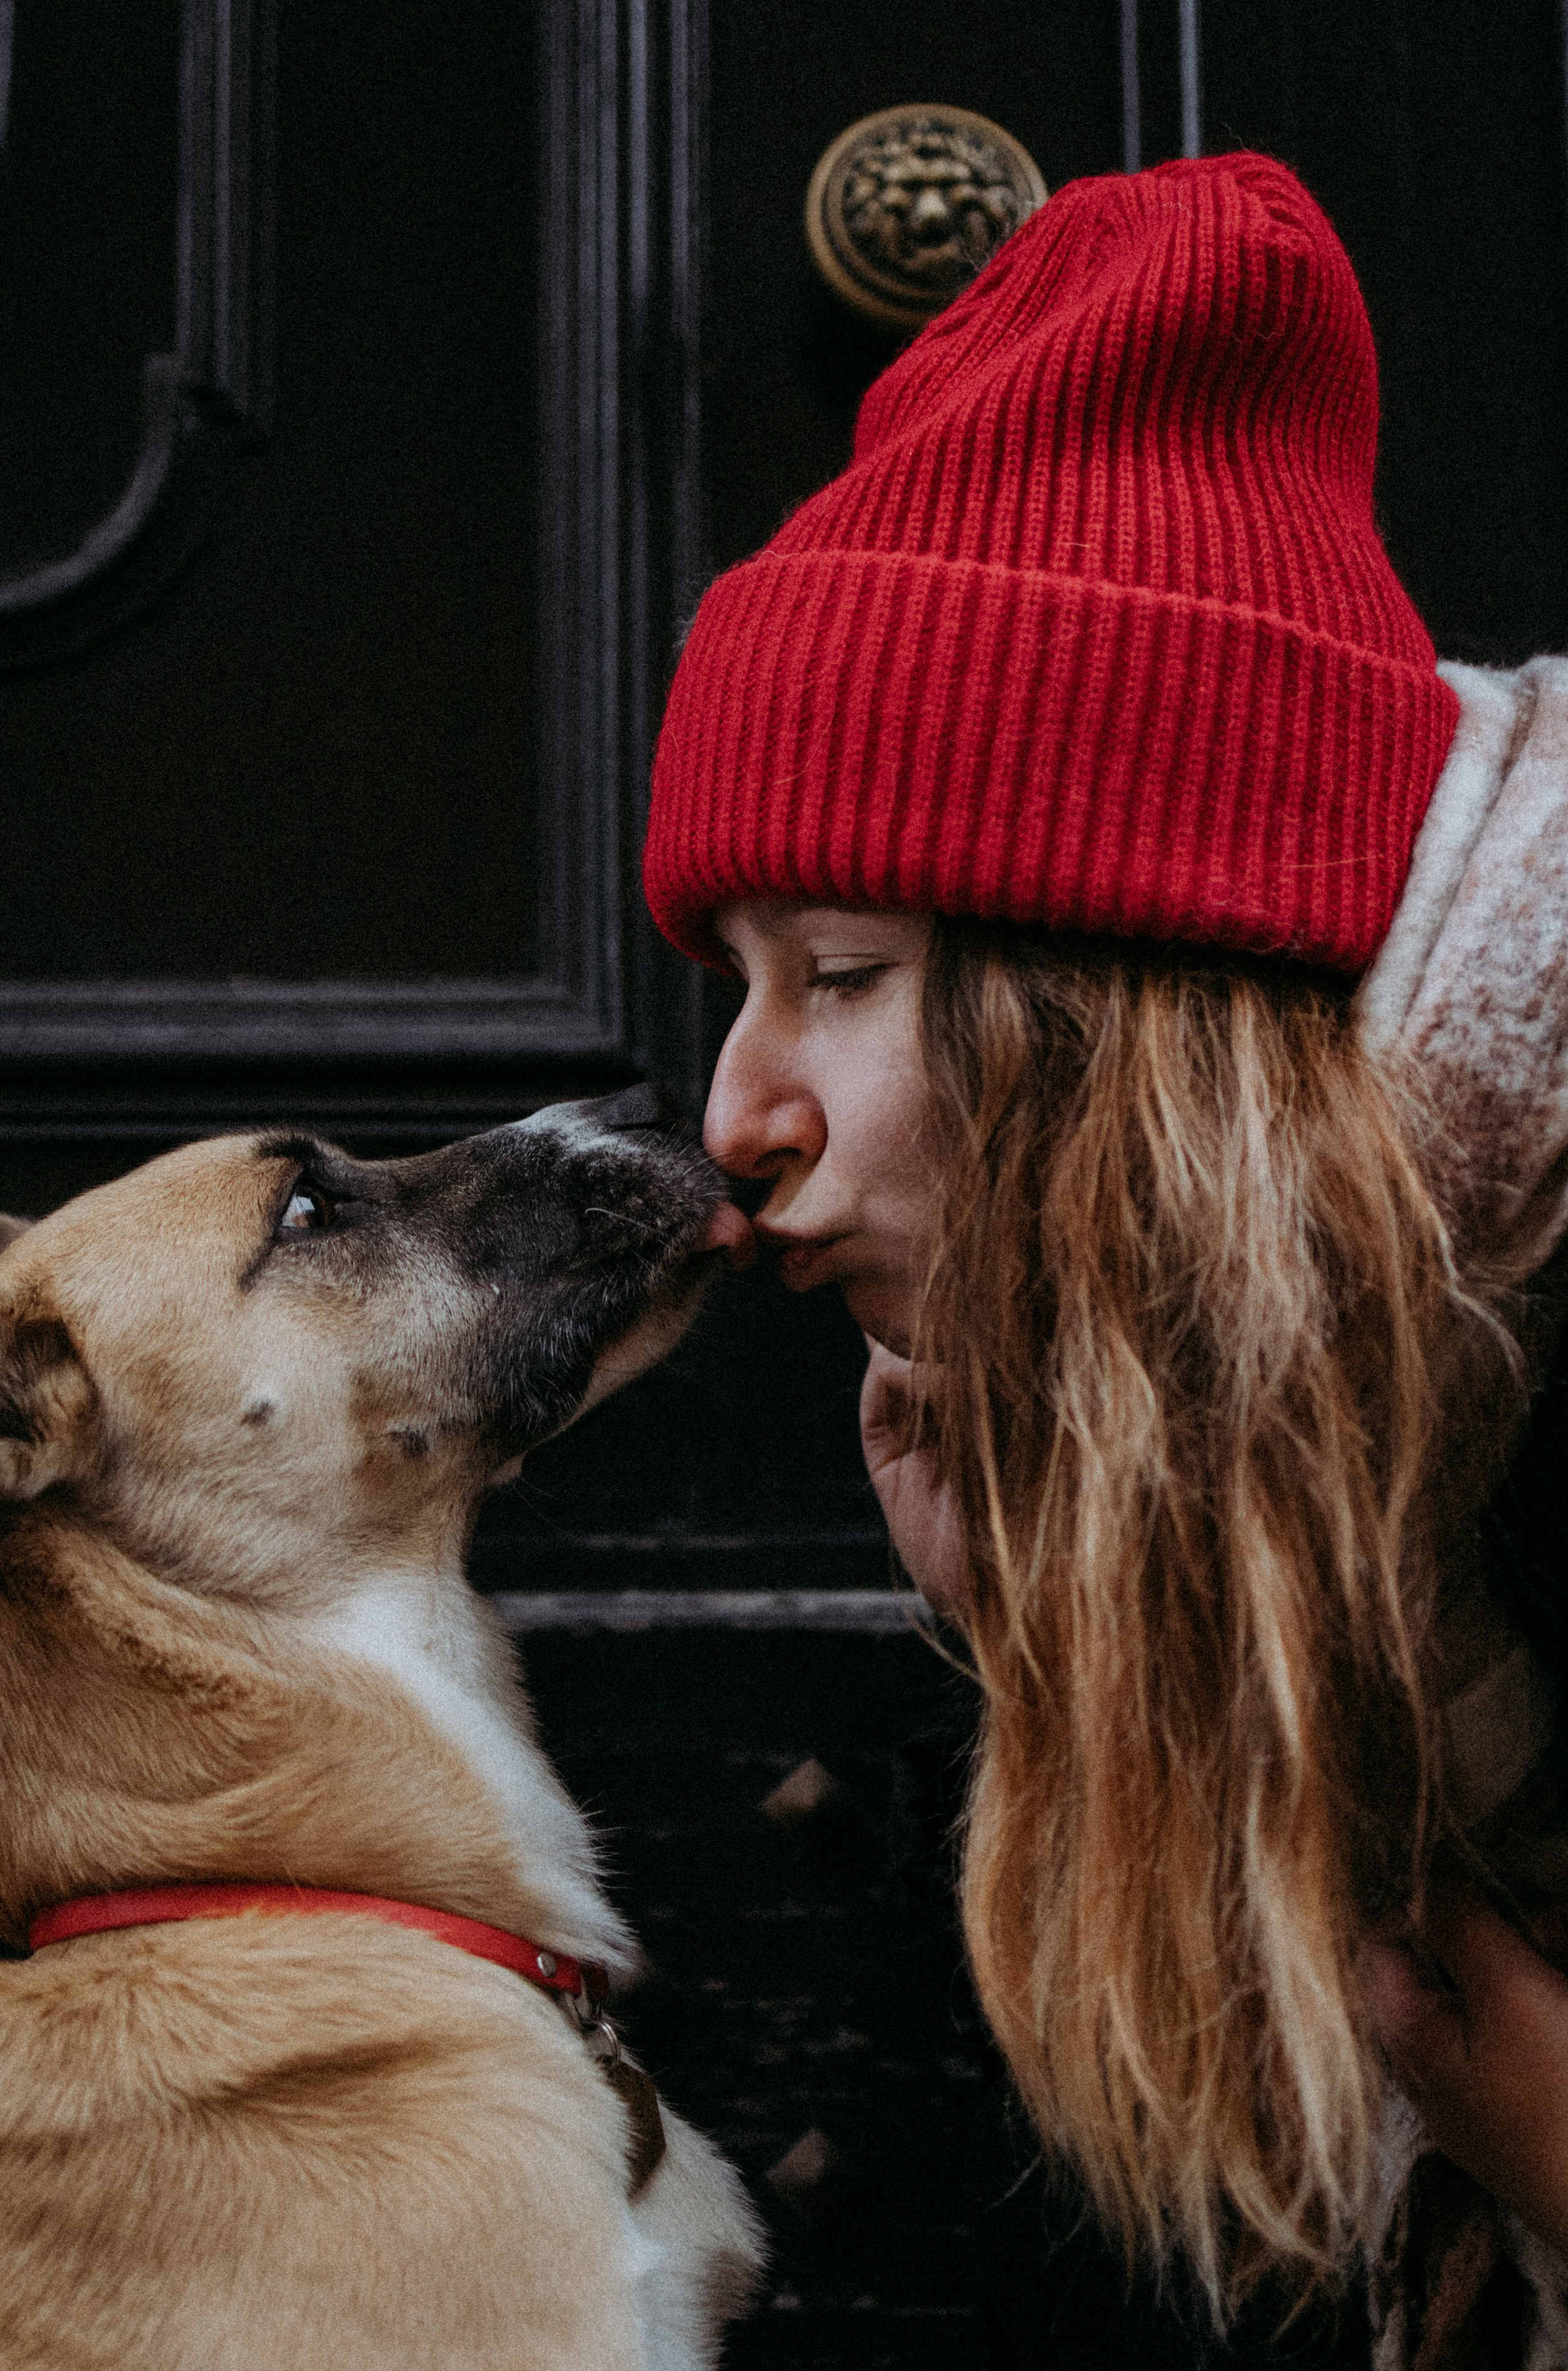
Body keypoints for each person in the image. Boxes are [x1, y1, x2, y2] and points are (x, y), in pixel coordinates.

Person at [644, 153, 1568, 2364]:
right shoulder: (1262, 1416)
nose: (731, 1119)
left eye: (845, 971)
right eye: (741, 982)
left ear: (1133, 1016)